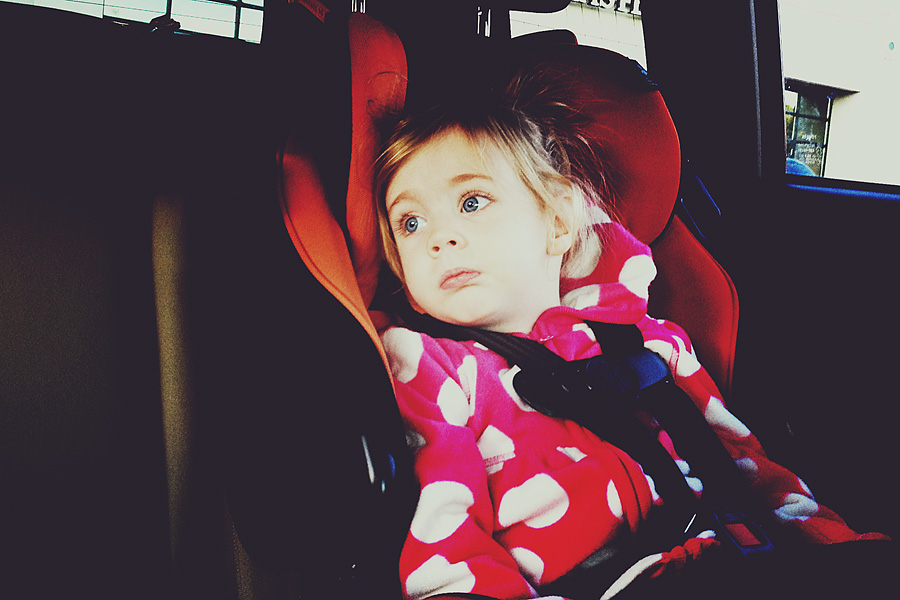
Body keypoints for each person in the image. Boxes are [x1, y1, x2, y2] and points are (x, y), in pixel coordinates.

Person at [371, 83, 888, 600]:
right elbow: (446, 554)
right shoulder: (427, 368)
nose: (438, 238)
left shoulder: (650, 343)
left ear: (557, 222)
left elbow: (746, 466)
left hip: (735, 561)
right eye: (410, 223)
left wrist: (833, 549)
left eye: (472, 201)